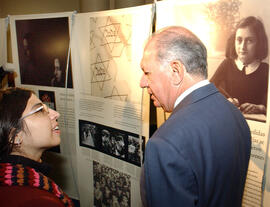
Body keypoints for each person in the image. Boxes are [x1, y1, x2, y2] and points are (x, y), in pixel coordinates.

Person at [139, 26, 251, 207]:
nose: (142, 83)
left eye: (147, 72)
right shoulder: (236, 117)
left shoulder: (164, 144)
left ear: (175, 71)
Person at [0, 87, 74, 207]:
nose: (56, 114)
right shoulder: (37, 201)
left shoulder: (13, 178)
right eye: (40, 110)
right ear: (15, 136)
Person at [210, 16, 268, 117]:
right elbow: (208, 91)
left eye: (249, 41)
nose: (242, 47)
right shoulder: (227, 64)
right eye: (239, 40)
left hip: (256, 127)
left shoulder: (266, 70)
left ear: (259, 43)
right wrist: (225, 101)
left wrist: (260, 108)